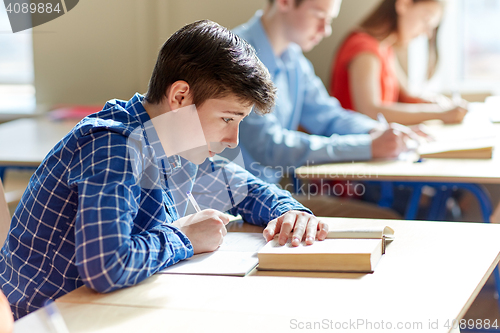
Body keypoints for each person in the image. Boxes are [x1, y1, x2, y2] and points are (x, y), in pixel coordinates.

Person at [0, 20, 328, 320]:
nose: (232, 140)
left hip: (94, 313)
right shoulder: (115, 147)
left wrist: (289, 211)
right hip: (40, 322)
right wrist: (185, 236)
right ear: (180, 96)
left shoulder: (170, 138)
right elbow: (107, 267)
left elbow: (242, 189)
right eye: (228, 119)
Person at [234, 0, 415, 218]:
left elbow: (328, 115)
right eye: (319, 16)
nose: (326, 30)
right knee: (386, 221)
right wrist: (367, 146)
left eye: (329, 20)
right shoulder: (238, 58)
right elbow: (269, 148)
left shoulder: (293, 58)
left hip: (268, 195)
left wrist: (378, 132)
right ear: (285, 2)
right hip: (236, 203)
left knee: (388, 217)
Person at [329, 0, 468, 125]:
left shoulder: (385, 47)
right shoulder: (364, 48)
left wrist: (439, 104)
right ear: (404, 4)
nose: (427, 33)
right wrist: (440, 114)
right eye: (426, 20)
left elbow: (407, 96)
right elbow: (370, 111)